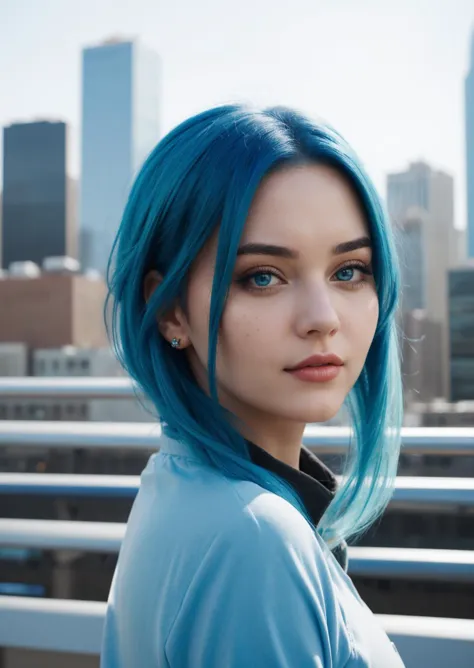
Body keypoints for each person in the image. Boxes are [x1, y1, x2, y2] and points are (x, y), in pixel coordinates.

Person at [100, 104, 406, 667]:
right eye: (262, 277)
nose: (322, 318)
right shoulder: (255, 537)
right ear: (168, 309)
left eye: (349, 271)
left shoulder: (182, 487)